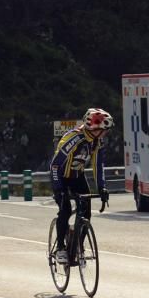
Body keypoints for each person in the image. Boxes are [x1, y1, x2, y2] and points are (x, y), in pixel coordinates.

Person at [50, 107, 112, 263]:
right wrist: (59, 189)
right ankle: (61, 249)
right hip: (61, 176)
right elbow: (55, 165)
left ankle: (78, 245)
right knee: (65, 210)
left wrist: (102, 188)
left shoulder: (96, 141)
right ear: (94, 128)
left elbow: (98, 165)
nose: (105, 133)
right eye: (104, 130)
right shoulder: (74, 138)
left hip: (77, 176)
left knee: (86, 213)